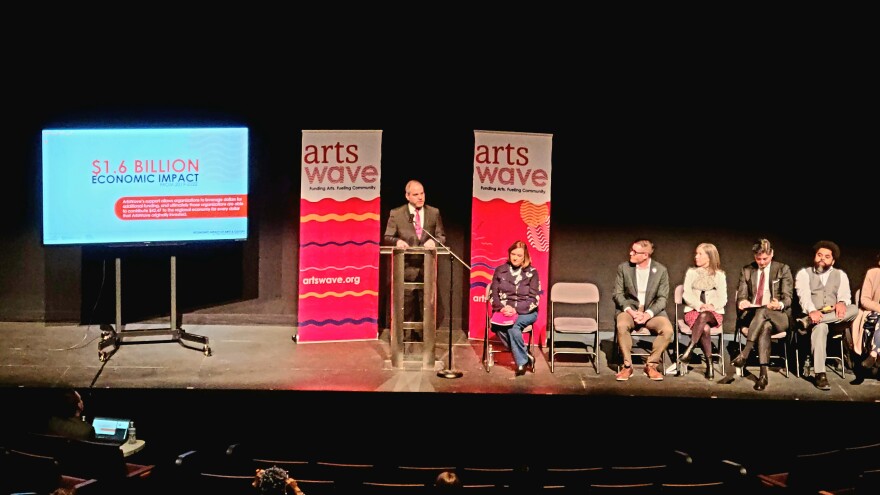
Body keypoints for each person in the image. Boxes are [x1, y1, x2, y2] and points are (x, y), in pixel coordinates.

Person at [383, 180, 446, 338]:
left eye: (422, 193)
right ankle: (404, 336)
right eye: (416, 194)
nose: (420, 197)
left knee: (426, 303)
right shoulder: (396, 214)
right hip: (405, 266)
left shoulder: (434, 212)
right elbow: (388, 236)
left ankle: (425, 336)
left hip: (427, 266)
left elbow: (441, 236)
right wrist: (397, 241)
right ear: (407, 196)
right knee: (407, 303)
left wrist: (434, 241)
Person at [729, 239, 794, 391]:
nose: (762, 262)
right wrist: (742, 302)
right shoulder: (747, 270)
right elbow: (742, 296)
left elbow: (788, 298)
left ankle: (744, 354)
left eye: (765, 258)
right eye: (758, 259)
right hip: (755, 318)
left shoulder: (782, 269)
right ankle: (763, 375)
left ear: (772, 254)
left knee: (764, 310)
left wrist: (779, 304)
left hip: (779, 316)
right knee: (765, 325)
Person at [794, 240, 858, 391]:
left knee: (854, 308)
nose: (822, 258)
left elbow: (845, 295)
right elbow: (803, 296)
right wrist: (812, 312)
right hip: (814, 316)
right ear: (815, 256)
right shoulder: (804, 274)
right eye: (819, 255)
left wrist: (842, 302)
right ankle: (820, 374)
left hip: (835, 318)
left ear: (833, 260)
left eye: (827, 256)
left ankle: (807, 322)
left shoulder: (840, 274)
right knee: (820, 327)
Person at [613, 239, 674, 381]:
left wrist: (648, 314)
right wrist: (630, 311)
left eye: (635, 252)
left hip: (652, 312)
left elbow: (662, 298)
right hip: (630, 310)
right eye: (631, 250)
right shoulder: (624, 268)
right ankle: (627, 366)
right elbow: (617, 294)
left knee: (667, 330)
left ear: (645, 255)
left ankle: (651, 365)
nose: (630, 253)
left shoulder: (660, 270)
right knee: (622, 325)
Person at [488, 240, 540, 376]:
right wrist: (502, 308)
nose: (515, 257)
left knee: (512, 327)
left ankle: (521, 362)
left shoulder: (532, 273)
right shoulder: (500, 270)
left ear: (525, 257)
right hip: (503, 310)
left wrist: (515, 309)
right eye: (513, 254)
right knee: (497, 325)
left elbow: (534, 299)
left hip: (526, 311)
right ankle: (526, 356)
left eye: (519, 255)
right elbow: (493, 293)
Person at [679, 243, 727, 380]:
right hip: (693, 311)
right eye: (696, 253)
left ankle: (690, 348)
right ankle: (710, 364)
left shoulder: (720, 275)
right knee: (705, 329)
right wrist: (699, 305)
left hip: (713, 312)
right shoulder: (691, 273)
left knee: (705, 316)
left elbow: (723, 298)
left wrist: (711, 305)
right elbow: (686, 294)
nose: (696, 257)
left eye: (700, 254)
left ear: (709, 256)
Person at [854, 252, 880, 370]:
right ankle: (875, 355)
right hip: (873, 313)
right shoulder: (873, 274)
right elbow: (864, 300)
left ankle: (874, 354)